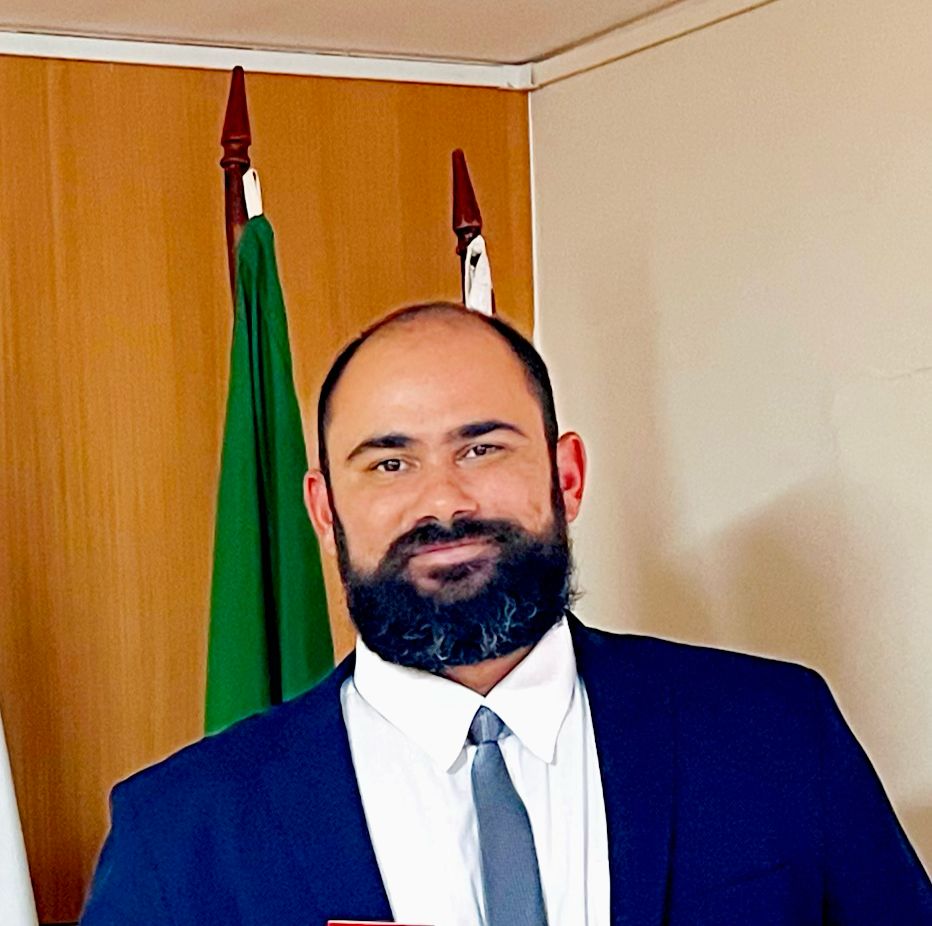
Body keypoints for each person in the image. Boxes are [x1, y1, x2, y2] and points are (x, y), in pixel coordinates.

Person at [82, 301, 931, 925]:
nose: (443, 502)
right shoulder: (180, 832)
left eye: (482, 448)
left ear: (567, 476)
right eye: (389, 464)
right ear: (325, 511)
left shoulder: (776, 733)